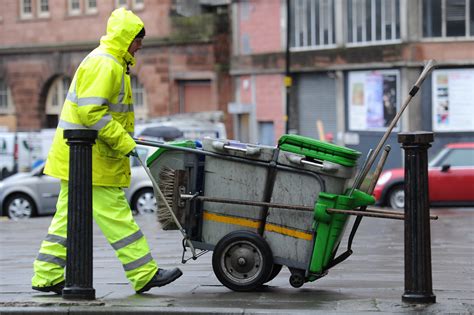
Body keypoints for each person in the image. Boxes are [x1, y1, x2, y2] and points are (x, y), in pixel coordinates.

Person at [31, 7, 182, 295]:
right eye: (137, 40)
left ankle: (46, 275)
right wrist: (127, 144)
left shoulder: (112, 63)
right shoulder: (106, 64)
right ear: (126, 38)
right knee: (117, 216)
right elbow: (92, 113)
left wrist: (127, 140)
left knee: (66, 219)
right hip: (91, 160)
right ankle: (144, 273)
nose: (140, 46)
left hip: (80, 158)